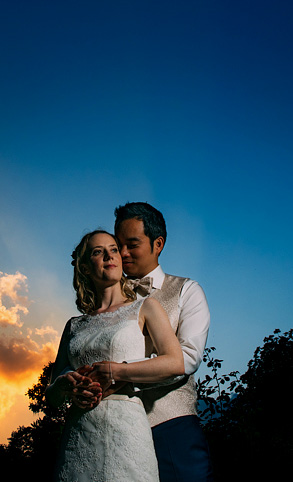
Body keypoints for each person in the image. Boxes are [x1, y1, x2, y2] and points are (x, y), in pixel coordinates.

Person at [47, 229, 184, 482]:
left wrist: (116, 370)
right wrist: (66, 385)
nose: (109, 256)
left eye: (113, 250)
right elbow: (51, 397)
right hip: (79, 434)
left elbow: (176, 363)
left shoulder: (146, 307)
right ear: (85, 267)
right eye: (98, 252)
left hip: (126, 429)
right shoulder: (74, 325)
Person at [114, 202, 213, 482]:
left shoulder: (187, 291)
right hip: (116, 431)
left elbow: (187, 358)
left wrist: (119, 373)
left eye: (132, 244)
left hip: (171, 428)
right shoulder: (107, 299)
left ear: (158, 244)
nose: (123, 253)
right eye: (118, 245)